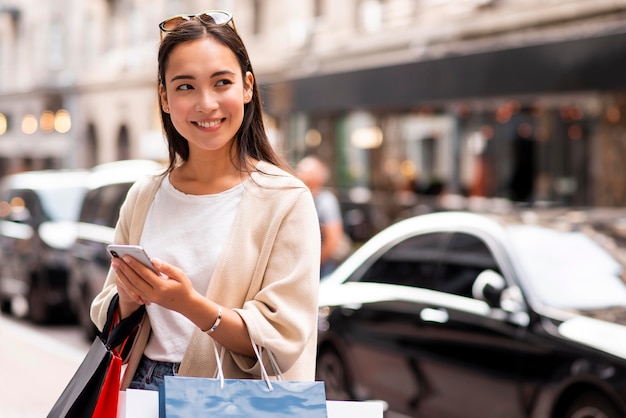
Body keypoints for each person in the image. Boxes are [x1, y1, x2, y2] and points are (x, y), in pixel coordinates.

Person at [90, 10, 321, 391]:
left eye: (222, 82)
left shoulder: (285, 199)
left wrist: (188, 303)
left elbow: (283, 338)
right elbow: (106, 313)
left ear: (247, 87)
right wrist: (129, 298)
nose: (206, 103)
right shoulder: (144, 194)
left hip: (228, 394)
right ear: (164, 98)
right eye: (185, 87)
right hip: (139, 385)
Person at [296, 155, 345, 277]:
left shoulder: (326, 201)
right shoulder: (297, 198)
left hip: (320, 269)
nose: (299, 174)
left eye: (305, 171)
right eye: (300, 170)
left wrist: (313, 265)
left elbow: (333, 241)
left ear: (318, 177)